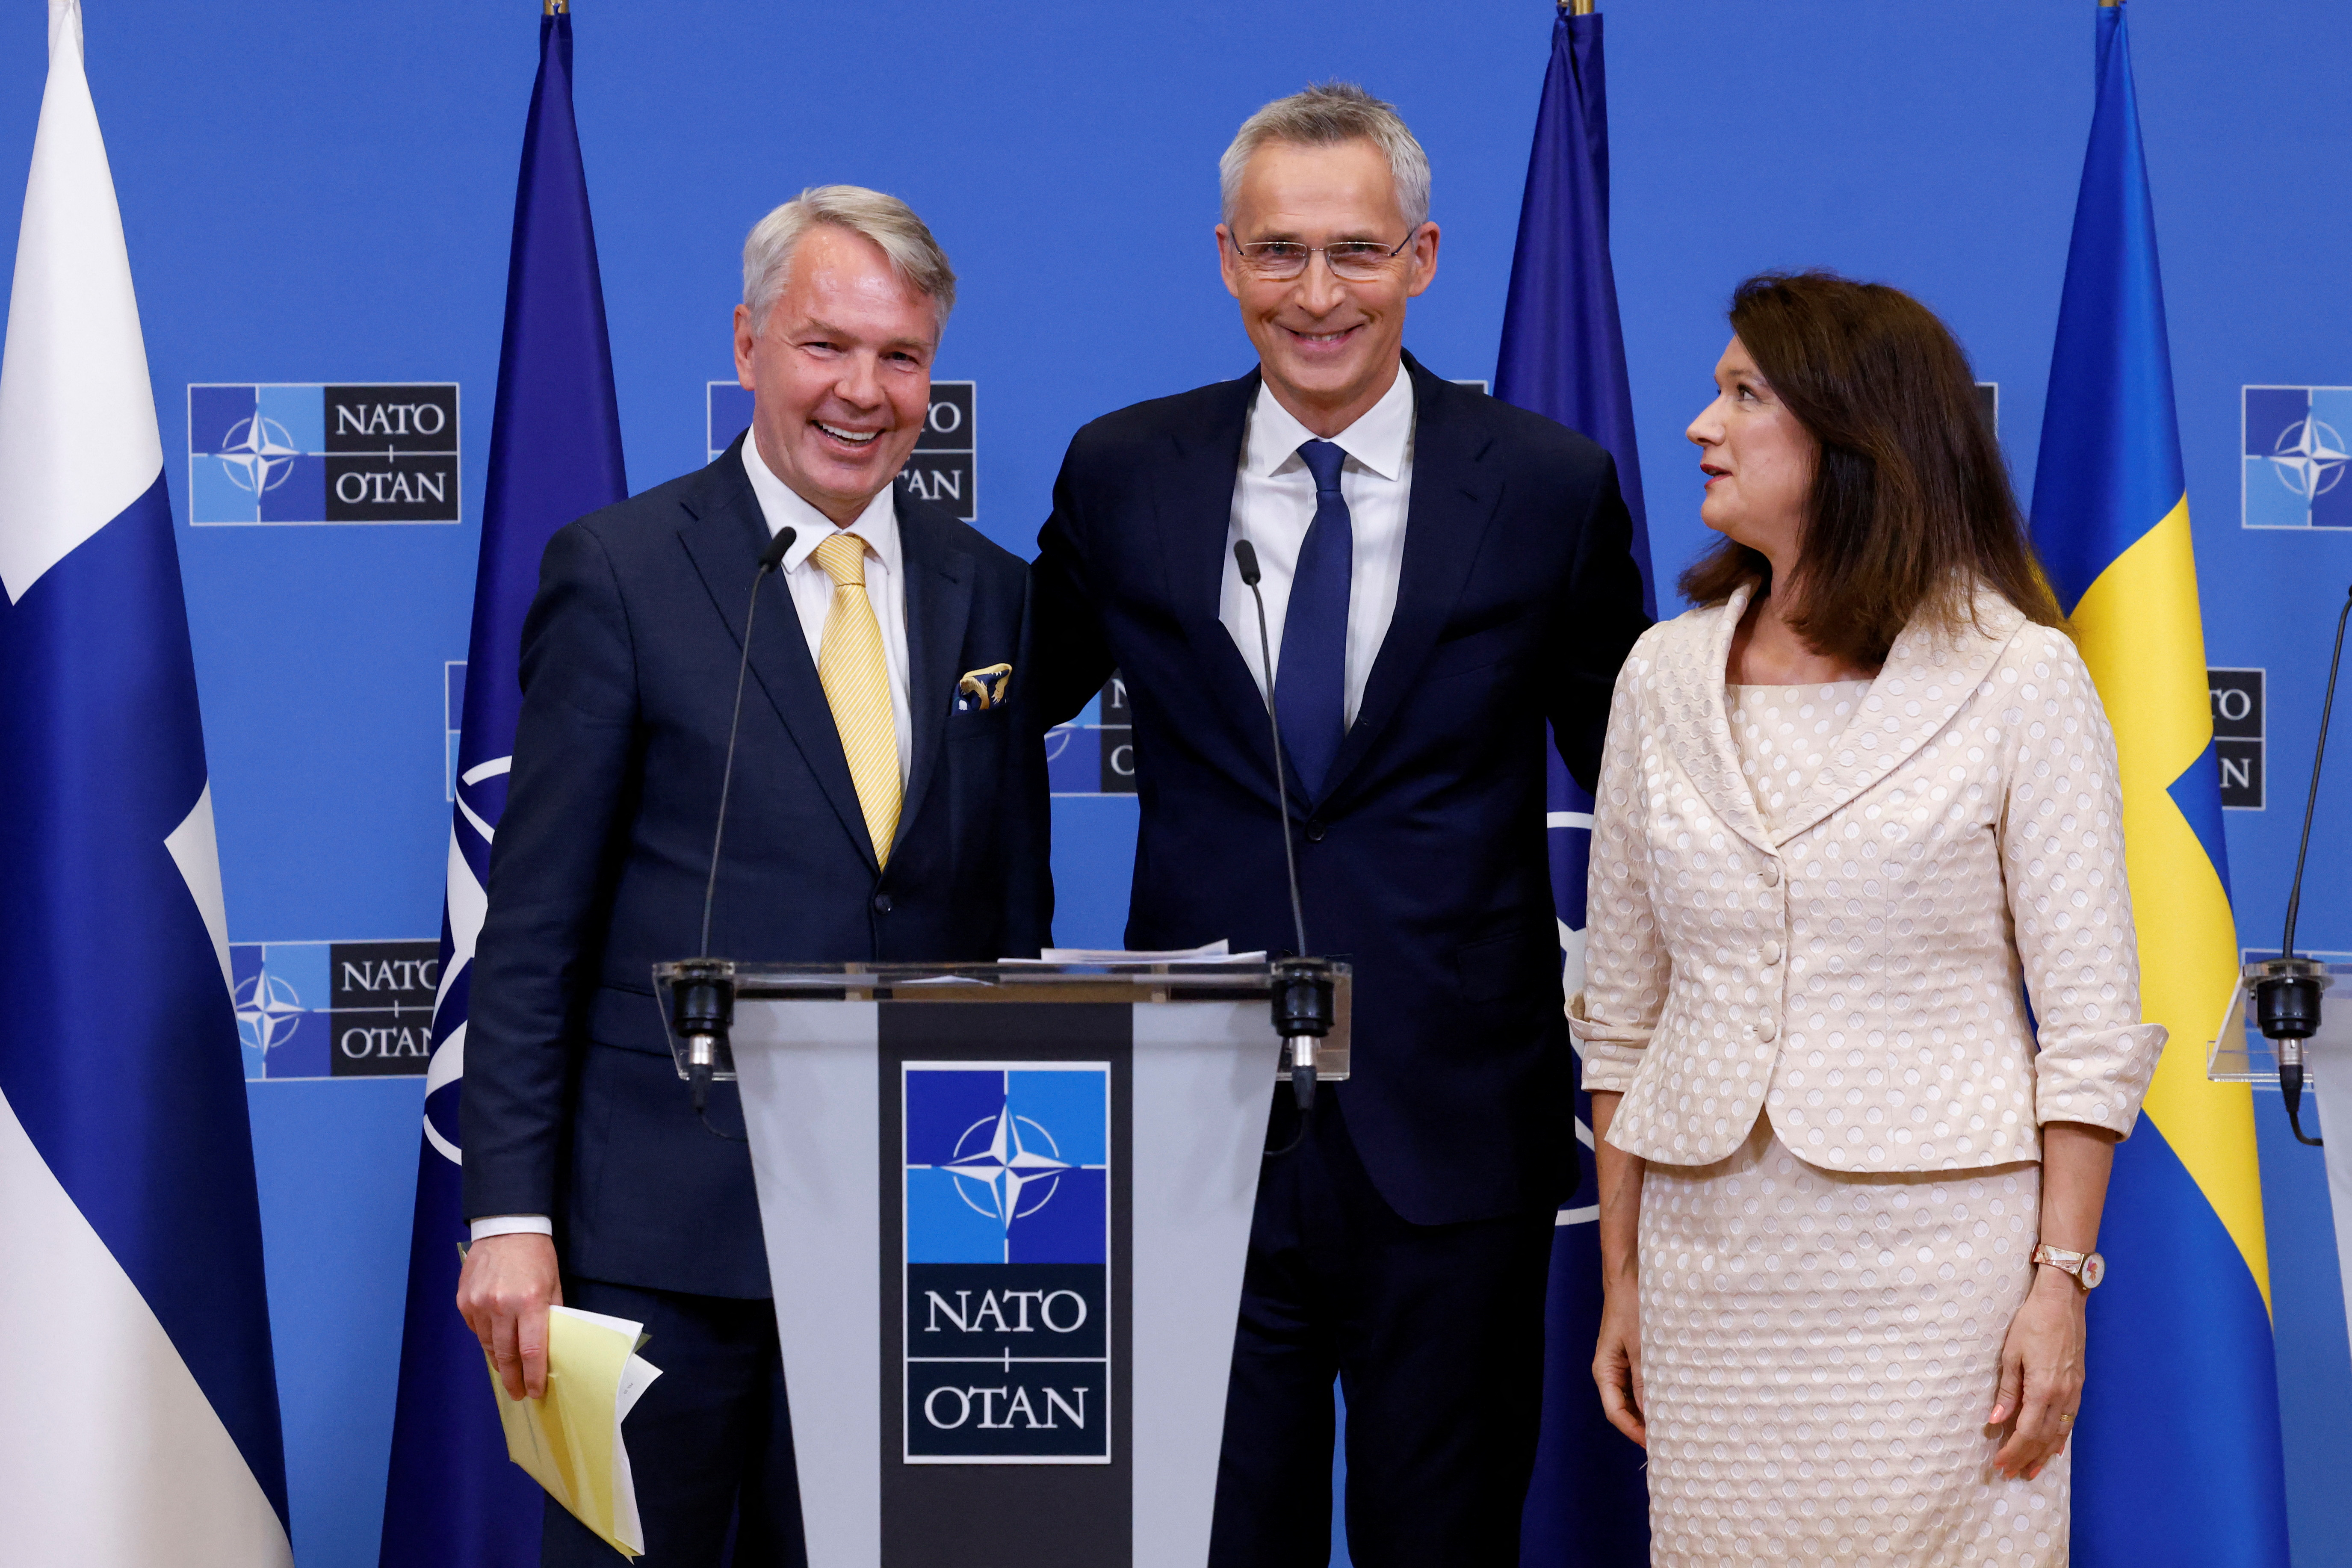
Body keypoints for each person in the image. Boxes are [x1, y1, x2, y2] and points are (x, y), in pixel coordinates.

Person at [1031, 84, 1650, 1565]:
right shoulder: (1125, 471)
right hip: (1195, 1129)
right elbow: (987, 721)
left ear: (1422, 258)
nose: (1317, 296)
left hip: (1454, 1128)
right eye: (1279, 252)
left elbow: (1644, 787)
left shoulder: (1549, 488)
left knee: (1442, 1538)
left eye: (1356, 253)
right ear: (1228, 259)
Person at [455, 186, 1050, 1567]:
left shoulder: (992, 594)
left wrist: (1017, 1221)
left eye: (901, 357)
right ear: (746, 346)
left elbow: (1012, 923)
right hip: (659, 1236)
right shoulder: (617, 572)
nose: (864, 391)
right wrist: (511, 1217)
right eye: (824, 347)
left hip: (922, 1235)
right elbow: (533, 928)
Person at [1577, 271, 2166, 1565]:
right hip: (1710, 1267)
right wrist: (1623, 1276)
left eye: (1744, 394)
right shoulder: (1659, 673)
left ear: (1855, 439)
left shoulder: (2018, 677)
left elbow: (2085, 1030)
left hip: (1939, 1277)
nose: (1698, 424)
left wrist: (2056, 1286)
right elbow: (1618, 1019)